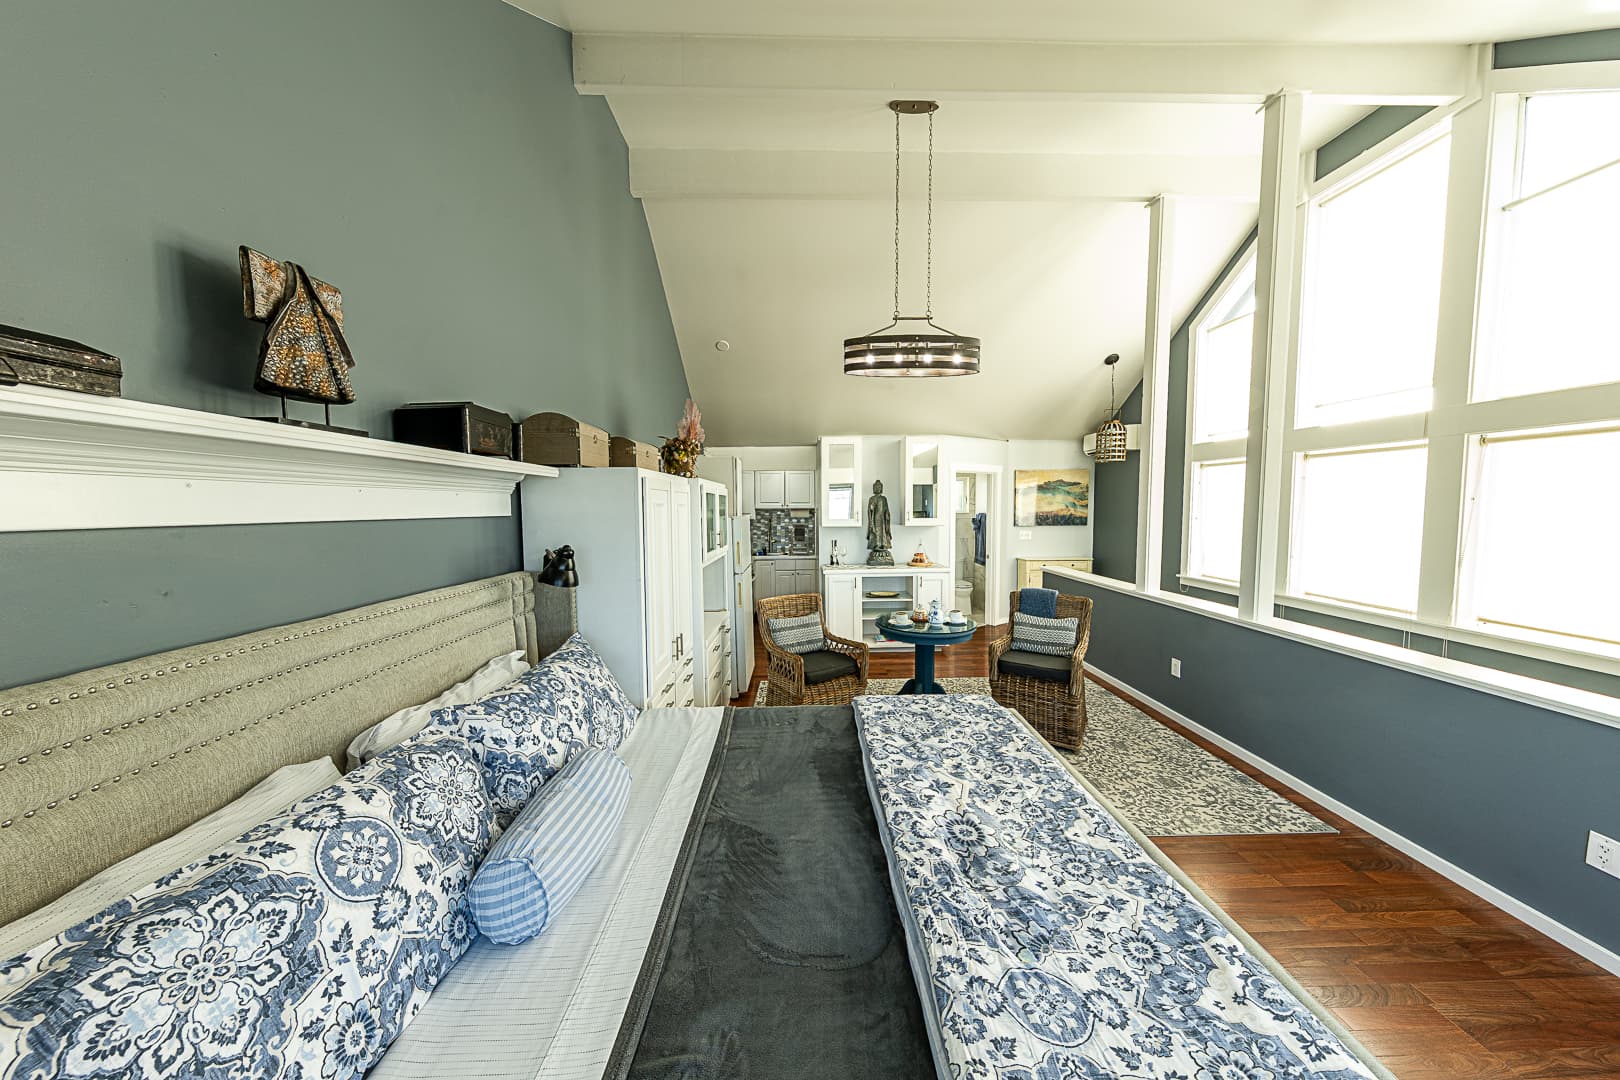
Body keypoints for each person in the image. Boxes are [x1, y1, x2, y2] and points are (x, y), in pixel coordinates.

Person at [866, 480, 893, 566]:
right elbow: (869, 511)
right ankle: (876, 545)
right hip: (875, 519)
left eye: (879, 487)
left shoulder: (884, 499)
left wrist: (887, 515)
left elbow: (886, 509)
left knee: (883, 532)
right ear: (874, 488)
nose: (878, 488)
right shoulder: (872, 499)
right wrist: (871, 522)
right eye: (876, 487)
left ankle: (883, 545)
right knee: (876, 532)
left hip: (883, 519)